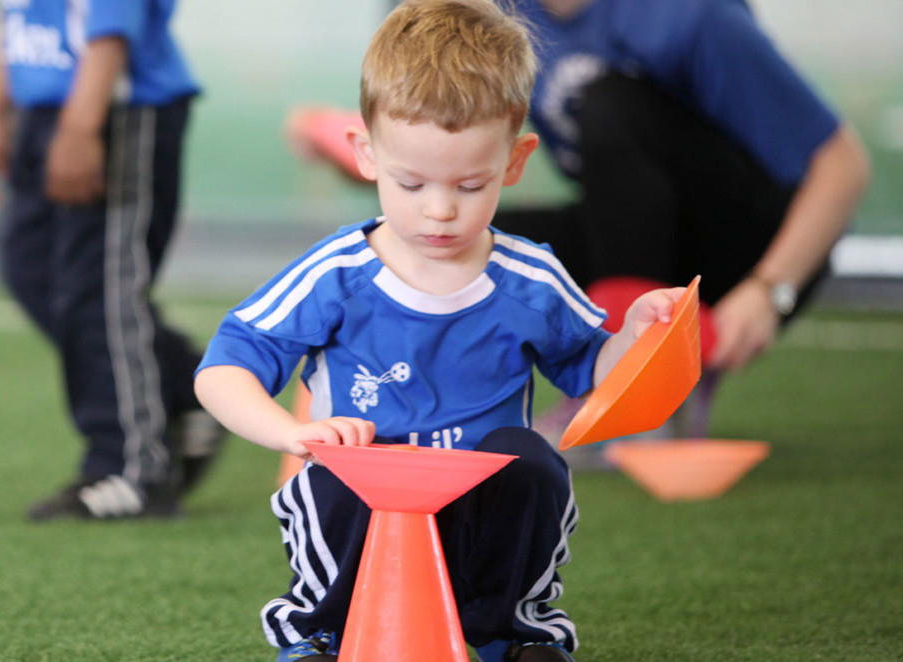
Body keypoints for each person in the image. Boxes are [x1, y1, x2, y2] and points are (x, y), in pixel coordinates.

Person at [195, 2, 684, 659]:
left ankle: (510, 635)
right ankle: (321, 636)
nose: (440, 209)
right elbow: (224, 368)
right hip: (364, 499)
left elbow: (593, 368)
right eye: (410, 181)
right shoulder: (336, 274)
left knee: (533, 459)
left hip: (480, 507)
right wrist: (294, 433)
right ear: (366, 154)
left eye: (470, 183)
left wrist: (639, 335)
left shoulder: (531, 277)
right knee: (333, 473)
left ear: (515, 161)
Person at [286, 0, 871, 443]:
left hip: (753, 250)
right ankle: (451, 414)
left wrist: (770, 291)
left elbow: (842, 166)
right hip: (632, 230)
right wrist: (353, 153)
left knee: (611, 103)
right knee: (461, 243)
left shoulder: (687, 16)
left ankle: (627, 389)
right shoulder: (497, 18)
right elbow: (444, 173)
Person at [0, 0, 224, 522]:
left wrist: (82, 127)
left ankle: (131, 471)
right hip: (41, 111)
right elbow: (13, 17)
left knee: (99, 291)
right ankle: (189, 384)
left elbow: (111, 23)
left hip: (114, 108)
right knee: (30, 271)